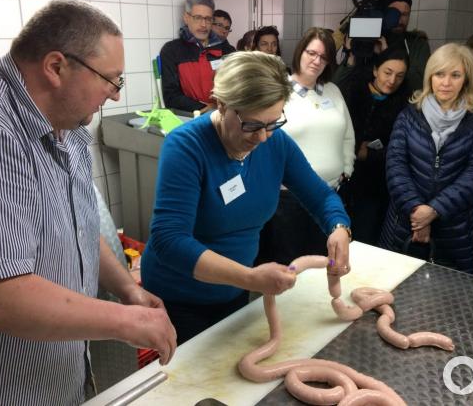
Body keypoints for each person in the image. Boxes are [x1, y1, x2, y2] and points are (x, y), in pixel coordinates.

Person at [0, 0, 177, 406]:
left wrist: (127, 290)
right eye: (110, 80)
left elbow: (79, 226)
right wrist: (126, 322)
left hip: (57, 374)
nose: (113, 94)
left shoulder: (67, 124)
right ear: (56, 67)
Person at [141, 51, 352, 344]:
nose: (263, 137)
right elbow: (170, 240)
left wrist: (339, 228)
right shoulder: (186, 146)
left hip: (233, 291)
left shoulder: (276, 143)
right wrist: (249, 278)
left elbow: (321, 196)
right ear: (222, 104)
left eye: (273, 122)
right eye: (252, 125)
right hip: (178, 300)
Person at [379, 43, 473, 274]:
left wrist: (433, 210)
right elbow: (395, 167)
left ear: (467, 79)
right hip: (404, 226)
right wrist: (417, 212)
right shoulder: (409, 116)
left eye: (455, 75)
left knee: (454, 293)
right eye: (439, 74)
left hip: (458, 235)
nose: (446, 82)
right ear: (430, 76)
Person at [255, 27, 355, 266]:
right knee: (289, 265)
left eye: (323, 57)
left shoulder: (333, 91)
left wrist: (347, 168)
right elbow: (264, 140)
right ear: (300, 52)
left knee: (323, 262)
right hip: (289, 198)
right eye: (311, 53)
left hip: (330, 193)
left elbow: (348, 135)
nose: (316, 61)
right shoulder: (280, 91)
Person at [344, 49, 410, 245]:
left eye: (399, 76)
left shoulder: (405, 104)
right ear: (375, 70)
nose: (392, 80)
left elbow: (403, 149)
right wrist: (355, 148)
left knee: (365, 237)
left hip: (376, 184)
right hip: (344, 177)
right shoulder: (352, 91)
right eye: (387, 72)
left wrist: (371, 155)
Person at [160, 0, 235, 113]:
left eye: (208, 19)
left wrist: (220, 108)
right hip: (190, 118)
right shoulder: (172, 50)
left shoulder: (228, 51)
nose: (203, 24)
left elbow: (238, 88)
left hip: (224, 117)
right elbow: (171, 96)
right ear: (186, 18)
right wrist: (203, 108)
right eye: (198, 18)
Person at [379, 0, 431, 90]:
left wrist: (386, 55)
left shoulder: (418, 44)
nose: (400, 19)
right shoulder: (370, 42)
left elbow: (420, 84)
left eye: (405, 14)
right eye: (394, 13)